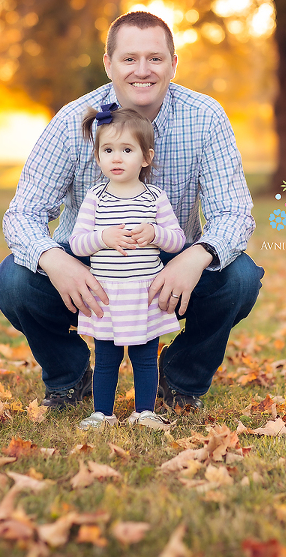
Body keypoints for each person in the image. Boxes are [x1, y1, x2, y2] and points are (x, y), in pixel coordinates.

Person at [0, 10, 264, 412]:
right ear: (109, 64)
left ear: (173, 63)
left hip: (170, 260)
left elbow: (235, 212)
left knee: (239, 278)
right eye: (129, 58)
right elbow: (23, 213)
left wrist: (194, 257)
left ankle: (181, 379)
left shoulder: (206, 117)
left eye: (155, 58)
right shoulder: (73, 121)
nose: (143, 70)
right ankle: (69, 377)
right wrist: (54, 260)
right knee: (14, 281)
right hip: (86, 262)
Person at [69, 104, 185, 429]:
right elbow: (77, 244)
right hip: (106, 294)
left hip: (143, 293)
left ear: (145, 157)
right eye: (108, 150)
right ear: (98, 157)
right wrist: (103, 237)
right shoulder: (96, 198)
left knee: (145, 357)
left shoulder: (154, 198)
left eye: (126, 149)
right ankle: (102, 413)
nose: (116, 158)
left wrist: (156, 233)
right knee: (106, 358)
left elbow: (177, 240)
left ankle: (144, 412)